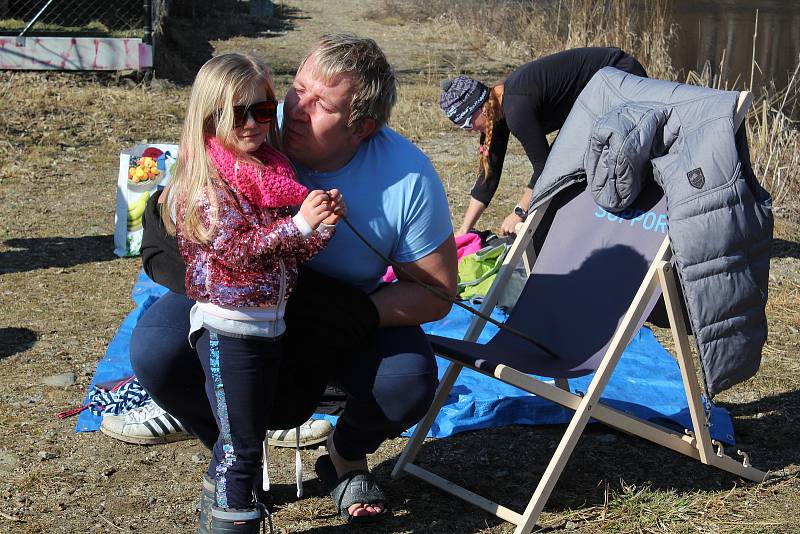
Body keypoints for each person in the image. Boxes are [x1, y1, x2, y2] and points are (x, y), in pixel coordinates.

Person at [129, 33, 457, 527]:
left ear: (361, 127)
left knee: (406, 383)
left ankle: (345, 456)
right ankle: (230, 458)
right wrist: (233, 277)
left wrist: (353, 313)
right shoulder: (249, 124)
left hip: (337, 319)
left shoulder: (406, 178)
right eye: (297, 88)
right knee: (157, 350)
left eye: (321, 103)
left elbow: (437, 293)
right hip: (234, 300)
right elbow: (158, 244)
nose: (294, 110)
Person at [166, 52, 347, 531]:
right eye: (236, 113)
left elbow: (286, 254)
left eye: (263, 111)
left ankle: (218, 512)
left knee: (239, 440)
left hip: (268, 324)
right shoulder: (205, 182)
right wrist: (301, 223)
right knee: (244, 448)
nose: (251, 123)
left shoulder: (271, 171)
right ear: (209, 116)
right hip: (228, 328)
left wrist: (320, 226)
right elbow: (237, 251)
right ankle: (234, 519)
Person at [440, 47, 647, 236]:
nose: (469, 130)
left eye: (467, 123)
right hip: (598, 92)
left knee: (575, 162)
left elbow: (546, 167)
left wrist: (520, 212)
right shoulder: (497, 110)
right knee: (569, 158)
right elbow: (489, 175)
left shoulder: (516, 108)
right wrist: (463, 231)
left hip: (620, 76)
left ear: (480, 107)